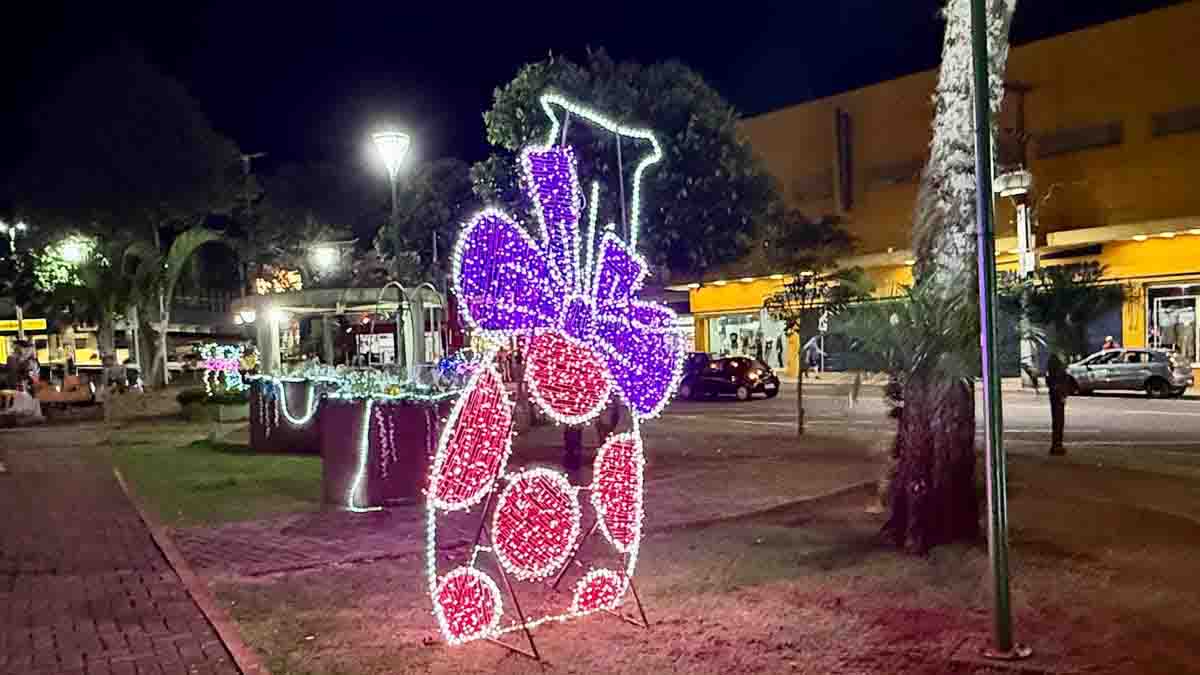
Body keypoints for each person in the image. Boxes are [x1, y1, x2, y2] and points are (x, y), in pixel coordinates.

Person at [1046, 352, 1069, 455]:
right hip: (1057, 397)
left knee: (1057, 422)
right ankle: (1057, 446)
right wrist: (1062, 395)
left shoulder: (1051, 371)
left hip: (1054, 396)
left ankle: (1056, 445)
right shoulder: (1059, 371)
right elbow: (1061, 383)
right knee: (1059, 422)